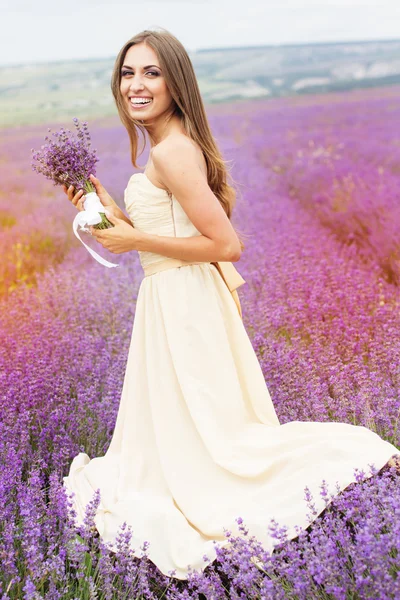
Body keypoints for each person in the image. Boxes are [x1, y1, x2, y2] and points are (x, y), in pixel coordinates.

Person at [63, 28, 400, 581]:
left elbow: (226, 244)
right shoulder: (167, 147)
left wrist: (134, 239)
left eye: (152, 72)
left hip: (185, 306)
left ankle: (351, 459)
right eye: (128, 72)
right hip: (172, 300)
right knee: (199, 427)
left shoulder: (172, 152)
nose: (137, 85)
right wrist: (108, 215)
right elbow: (155, 236)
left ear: (177, 81)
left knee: (217, 442)